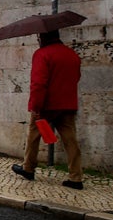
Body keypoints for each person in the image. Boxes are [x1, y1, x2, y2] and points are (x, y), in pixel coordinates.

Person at [12, 30, 84, 189]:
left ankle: (28, 168)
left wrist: (36, 106)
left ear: (43, 37)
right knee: (70, 139)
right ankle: (76, 177)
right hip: (67, 103)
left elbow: (38, 83)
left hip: (46, 105)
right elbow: (76, 77)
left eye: (38, 36)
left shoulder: (42, 54)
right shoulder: (71, 54)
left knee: (33, 135)